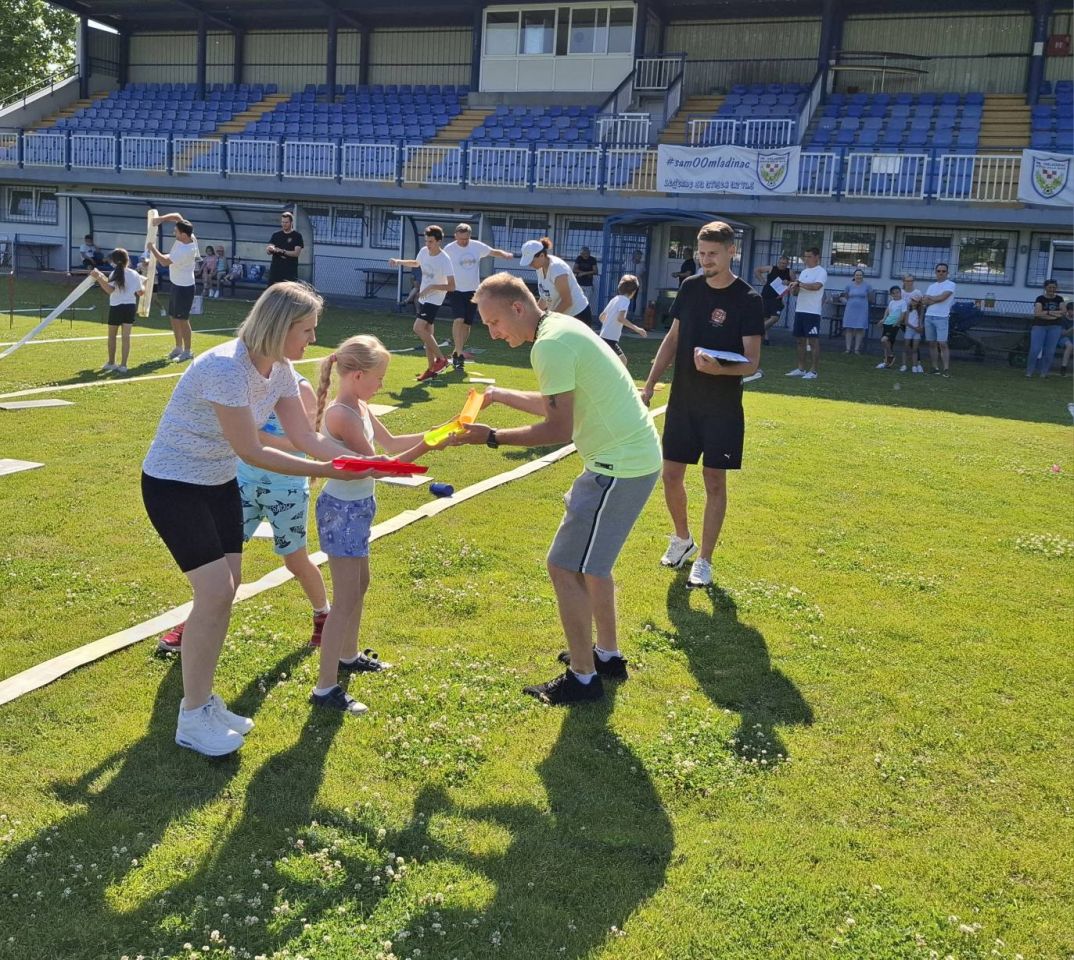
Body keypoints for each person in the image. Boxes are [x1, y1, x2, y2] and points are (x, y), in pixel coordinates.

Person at [142, 282, 384, 757]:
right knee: (213, 592)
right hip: (173, 486)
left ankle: (204, 702)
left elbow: (307, 439)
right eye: (308, 329)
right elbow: (252, 449)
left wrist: (357, 459)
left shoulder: (280, 371)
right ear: (280, 326)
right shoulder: (226, 369)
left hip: (217, 485)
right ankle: (192, 718)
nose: (313, 340)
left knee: (225, 591)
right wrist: (327, 468)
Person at [452, 273, 661, 705]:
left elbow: (558, 427)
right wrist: (501, 395)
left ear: (517, 308)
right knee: (593, 567)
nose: (492, 333)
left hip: (618, 467)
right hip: (628, 460)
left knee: (564, 567)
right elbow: (562, 401)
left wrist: (492, 437)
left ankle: (583, 679)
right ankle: (607, 656)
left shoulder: (550, 344)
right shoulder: (561, 328)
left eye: (493, 322)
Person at [158, 371, 335, 655]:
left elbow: (305, 441)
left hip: (285, 489)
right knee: (220, 567)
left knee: (296, 561)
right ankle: (195, 622)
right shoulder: (244, 382)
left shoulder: (299, 389)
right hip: (241, 484)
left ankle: (324, 614)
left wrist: (258, 437)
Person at [311, 335, 440, 714]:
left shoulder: (362, 407)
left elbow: (393, 440)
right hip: (342, 511)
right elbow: (381, 466)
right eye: (378, 377)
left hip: (358, 507)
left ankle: (348, 657)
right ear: (355, 375)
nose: (382, 384)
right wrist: (431, 446)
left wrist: (440, 431)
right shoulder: (342, 415)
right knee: (346, 596)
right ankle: (324, 687)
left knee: (360, 584)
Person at [641, 220, 764, 590]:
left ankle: (705, 560)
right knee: (671, 474)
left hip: (722, 406)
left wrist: (720, 368)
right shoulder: (690, 288)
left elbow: (752, 362)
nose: (705, 260)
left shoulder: (748, 299)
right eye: (701, 253)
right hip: (683, 400)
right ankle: (682, 539)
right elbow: (672, 339)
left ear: (731, 252)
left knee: (714, 480)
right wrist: (649, 384)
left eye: (713, 254)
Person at [442, 223, 514, 372]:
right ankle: (460, 354)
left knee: (467, 324)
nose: (463, 242)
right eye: (461, 239)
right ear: (456, 236)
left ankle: (457, 351)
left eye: (466, 239)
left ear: (470, 236)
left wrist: (505, 254)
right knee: (459, 319)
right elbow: (439, 262)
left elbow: (493, 252)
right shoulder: (449, 249)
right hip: (456, 290)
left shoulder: (476, 246)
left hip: (473, 291)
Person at [388, 224, 455, 382]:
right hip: (424, 298)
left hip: (434, 299)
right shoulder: (424, 252)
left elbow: (452, 286)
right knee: (428, 336)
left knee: (418, 328)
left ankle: (442, 360)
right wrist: (398, 261)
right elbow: (416, 263)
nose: (427, 244)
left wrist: (432, 287)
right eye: (426, 241)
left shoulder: (445, 260)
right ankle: (431, 370)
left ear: (439, 241)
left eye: (431, 241)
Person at [146, 213, 199, 363]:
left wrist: (152, 248)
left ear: (183, 234)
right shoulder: (188, 236)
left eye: (175, 232)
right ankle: (178, 347)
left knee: (183, 319)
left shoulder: (187, 250)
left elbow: (163, 262)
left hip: (185, 288)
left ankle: (188, 351)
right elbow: (177, 216)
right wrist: (160, 220)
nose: (173, 233)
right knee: (173, 317)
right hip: (176, 285)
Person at [90, 248, 143, 375]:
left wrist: (99, 278)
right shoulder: (134, 274)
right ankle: (123, 365)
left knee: (112, 336)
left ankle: (111, 362)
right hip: (129, 307)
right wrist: (144, 284)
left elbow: (109, 290)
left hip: (116, 307)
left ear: (114, 261)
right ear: (127, 260)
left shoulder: (115, 273)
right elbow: (140, 293)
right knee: (126, 337)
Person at [519, 237, 593, 327]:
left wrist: (548, 320)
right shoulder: (539, 268)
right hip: (562, 317)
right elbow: (544, 297)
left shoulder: (557, 269)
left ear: (542, 255)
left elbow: (567, 301)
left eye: (531, 261)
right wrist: (534, 317)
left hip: (578, 317)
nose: (530, 265)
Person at [785, 247, 825, 380]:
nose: (806, 259)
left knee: (813, 342)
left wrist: (799, 284)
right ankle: (801, 368)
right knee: (800, 341)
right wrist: (793, 288)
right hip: (800, 310)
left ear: (816, 257)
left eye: (808, 256)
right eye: (805, 256)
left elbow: (816, 287)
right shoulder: (804, 272)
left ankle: (813, 371)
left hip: (812, 312)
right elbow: (798, 292)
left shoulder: (821, 272)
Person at [598, 274, 647, 367]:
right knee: (622, 362)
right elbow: (620, 318)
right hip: (610, 339)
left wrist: (608, 324)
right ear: (634, 291)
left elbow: (601, 317)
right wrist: (637, 329)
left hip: (603, 336)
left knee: (612, 362)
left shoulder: (615, 299)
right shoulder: (625, 301)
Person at [921, 262, 956, 377]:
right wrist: (934, 299)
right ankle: (934, 367)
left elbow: (943, 297)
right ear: (935, 272)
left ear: (947, 273)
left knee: (942, 343)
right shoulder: (932, 286)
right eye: (938, 271)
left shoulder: (950, 284)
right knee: (931, 343)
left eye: (943, 271)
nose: (941, 273)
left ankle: (946, 369)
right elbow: (924, 302)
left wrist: (931, 298)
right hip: (929, 316)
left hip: (942, 317)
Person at [1027, 278, 1066, 379]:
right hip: (1039, 326)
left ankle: (1044, 373)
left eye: (1054, 287)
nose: (1052, 289)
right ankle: (1029, 371)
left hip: (1055, 327)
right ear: (1045, 288)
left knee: (1050, 351)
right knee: (1035, 349)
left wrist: (1046, 313)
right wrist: (1051, 313)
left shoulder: (1059, 299)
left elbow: (1063, 312)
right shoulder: (1040, 299)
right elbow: (1037, 313)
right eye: (1050, 287)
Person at [753, 254, 794, 341]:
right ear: (778, 262)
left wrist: (788, 282)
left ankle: (756, 331)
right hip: (765, 296)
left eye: (784, 263)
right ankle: (765, 339)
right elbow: (757, 270)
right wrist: (762, 280)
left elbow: (795, 283)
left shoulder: (789, 272)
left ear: (787, 264)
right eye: (781, 263)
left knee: (775, 318)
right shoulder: (771, 268)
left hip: (777, 298)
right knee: (765, 318)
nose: (782, 265)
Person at [839, 269, 872, 355]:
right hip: (850, 309)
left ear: (863, 276)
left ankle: (856, 349)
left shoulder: (867, 286)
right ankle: (848, 349)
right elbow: (846, 296)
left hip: (862, 309)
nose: (858, 276)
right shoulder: (849, 285)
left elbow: (870, 297)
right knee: (849, 328)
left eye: (860, 275)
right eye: (857, 275)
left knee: (860, 328)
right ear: (854, 276)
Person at [266, 211, 304, 286]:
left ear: (291, 222)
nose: (284, 224)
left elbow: (296, 253)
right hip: (276, 271)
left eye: (286, 222)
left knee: (289, 294)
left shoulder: (297, 236)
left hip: (289, 272)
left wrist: (282, 251)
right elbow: (268, 250)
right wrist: (270, 249)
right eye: (282, 222)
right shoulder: (276, 235)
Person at [899, 275, 925, 373]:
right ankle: (892, 361)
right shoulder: (900, 292)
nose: (909, 282)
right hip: (903, 321)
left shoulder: (917, 292)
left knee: (914, 344)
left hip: (915, 323)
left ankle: (917, 364)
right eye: (907, 281)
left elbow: (921, 308)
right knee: (907, 343)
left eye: (911, 281)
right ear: (903, 281)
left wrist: (920, 323)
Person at [876, 285, 906, 369]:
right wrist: (883, 319)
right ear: (891, 295)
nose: (896, 294)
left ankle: (891, 356)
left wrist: (897, 322)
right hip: (887, 323)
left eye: (897, 292)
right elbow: (887, 310)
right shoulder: (892, 302)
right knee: (887, 343)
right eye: (894, 293)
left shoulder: (903, 302)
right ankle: (887, 362)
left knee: (884, 340)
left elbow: (903, 314)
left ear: (900, 293)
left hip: (894, 325)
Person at [1060, 301, 1073, 376]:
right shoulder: (1063, 319)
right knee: (1069, 346)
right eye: (1072, 310)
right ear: (1068, 310)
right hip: (1064, 338)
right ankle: (1063, 367)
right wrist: (1072, 329)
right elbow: (1063, 333)